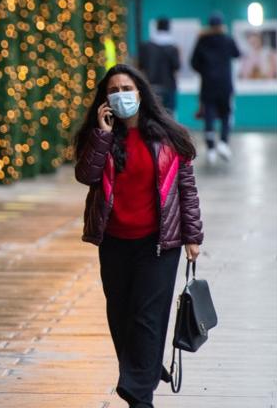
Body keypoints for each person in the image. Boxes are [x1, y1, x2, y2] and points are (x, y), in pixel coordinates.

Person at [74, 63, 203, 408]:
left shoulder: (169, 137)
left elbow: (186, 189)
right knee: (121, 317)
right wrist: (102, 134)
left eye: (126, 89)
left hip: (158, 244)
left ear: (141, 93)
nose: (121, 96)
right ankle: (144, 369)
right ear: (104, 100)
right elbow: (86, 176)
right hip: (114, 243)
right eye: (113, 91)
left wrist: (193, 236)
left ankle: (138, 395)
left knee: (148, 316)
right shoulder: (99, 136)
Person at [190, 11, 240, 165]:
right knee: (226, 114)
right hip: (225, 85)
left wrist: (205, 71)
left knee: (209, 116)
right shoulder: (227, 39)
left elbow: (193, 62)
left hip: (208, 85)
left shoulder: (202, 41)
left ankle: (211, 149)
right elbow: (237, 54)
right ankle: (224, 143)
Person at [138, 16, 181, 113]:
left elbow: (141, 65)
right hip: (168, 85)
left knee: (152, 112)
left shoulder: (146, 46)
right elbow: (177, 66)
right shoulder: (173, 48)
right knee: (169, 114)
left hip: (151, 84)